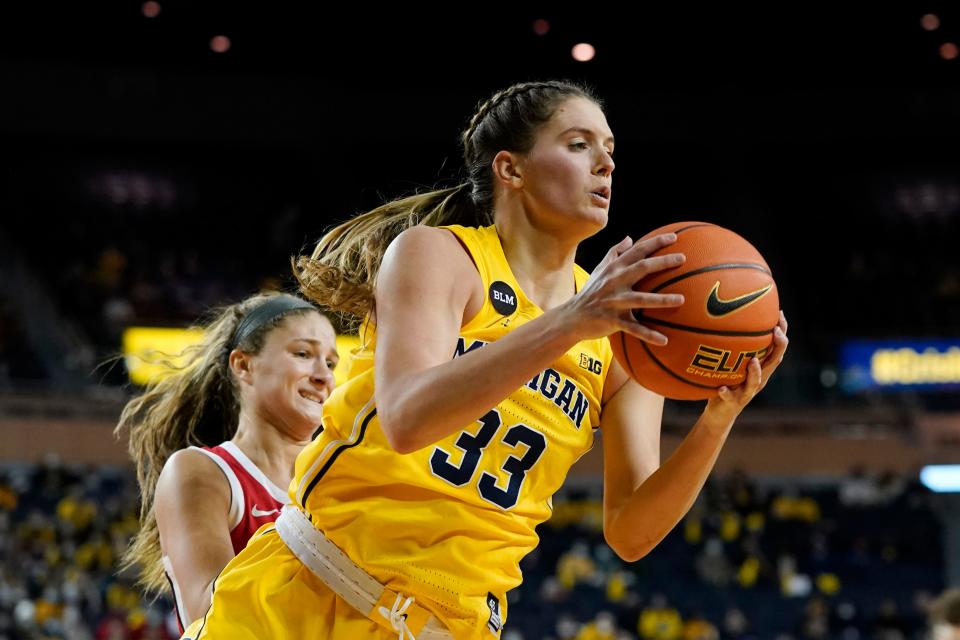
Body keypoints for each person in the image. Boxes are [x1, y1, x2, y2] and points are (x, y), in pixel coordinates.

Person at [182, 80, 789, 640]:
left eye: (609, 150)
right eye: (579, 145)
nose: (606, 164)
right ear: (511, 169)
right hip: (307, 594)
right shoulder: (439, 257)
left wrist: (718, 418)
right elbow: (406, 417)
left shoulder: (623, 335)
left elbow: (630, 534)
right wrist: (570, 321)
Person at [116, 292, 338, 631]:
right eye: (303, 354)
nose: (323, 375)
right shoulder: (201, 472)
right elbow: (215, 614)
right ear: (244, 365)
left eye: (331, 363)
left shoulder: (341, 477)